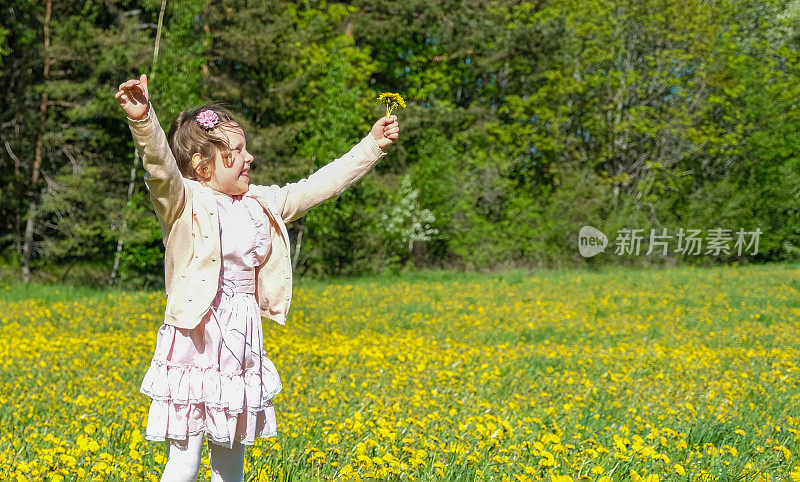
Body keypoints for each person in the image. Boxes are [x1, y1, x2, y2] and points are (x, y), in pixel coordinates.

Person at [115, 73, 399, 481]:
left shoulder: (261, 203)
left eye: (246, 148)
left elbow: (319, 185)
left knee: (231, 464)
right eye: (237, 151)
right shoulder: (183, 201)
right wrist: (144, 121)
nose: (249, 158)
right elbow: (160, 165)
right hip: (195, 340)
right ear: (202, 166)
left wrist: (371, 145)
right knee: (185, 461)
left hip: (240, 342)